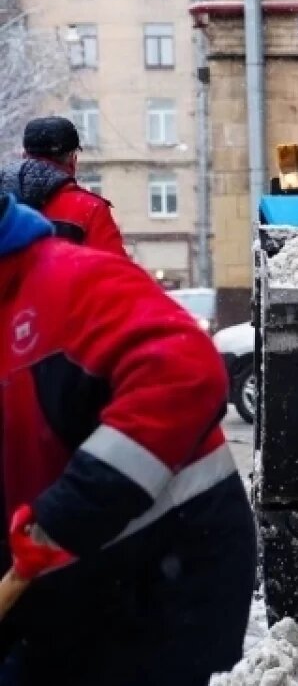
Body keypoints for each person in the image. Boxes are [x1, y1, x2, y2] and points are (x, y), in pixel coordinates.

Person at [0, 194, 254, 684]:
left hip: (165, 576)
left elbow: (187, 372)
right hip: (55, 589)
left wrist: (70, 510)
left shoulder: (70, 281)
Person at [0, 116, 126, 256]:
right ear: (72, 160)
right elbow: (115, 270)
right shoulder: (90, 208)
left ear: (24, 156)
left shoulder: (4, 203)